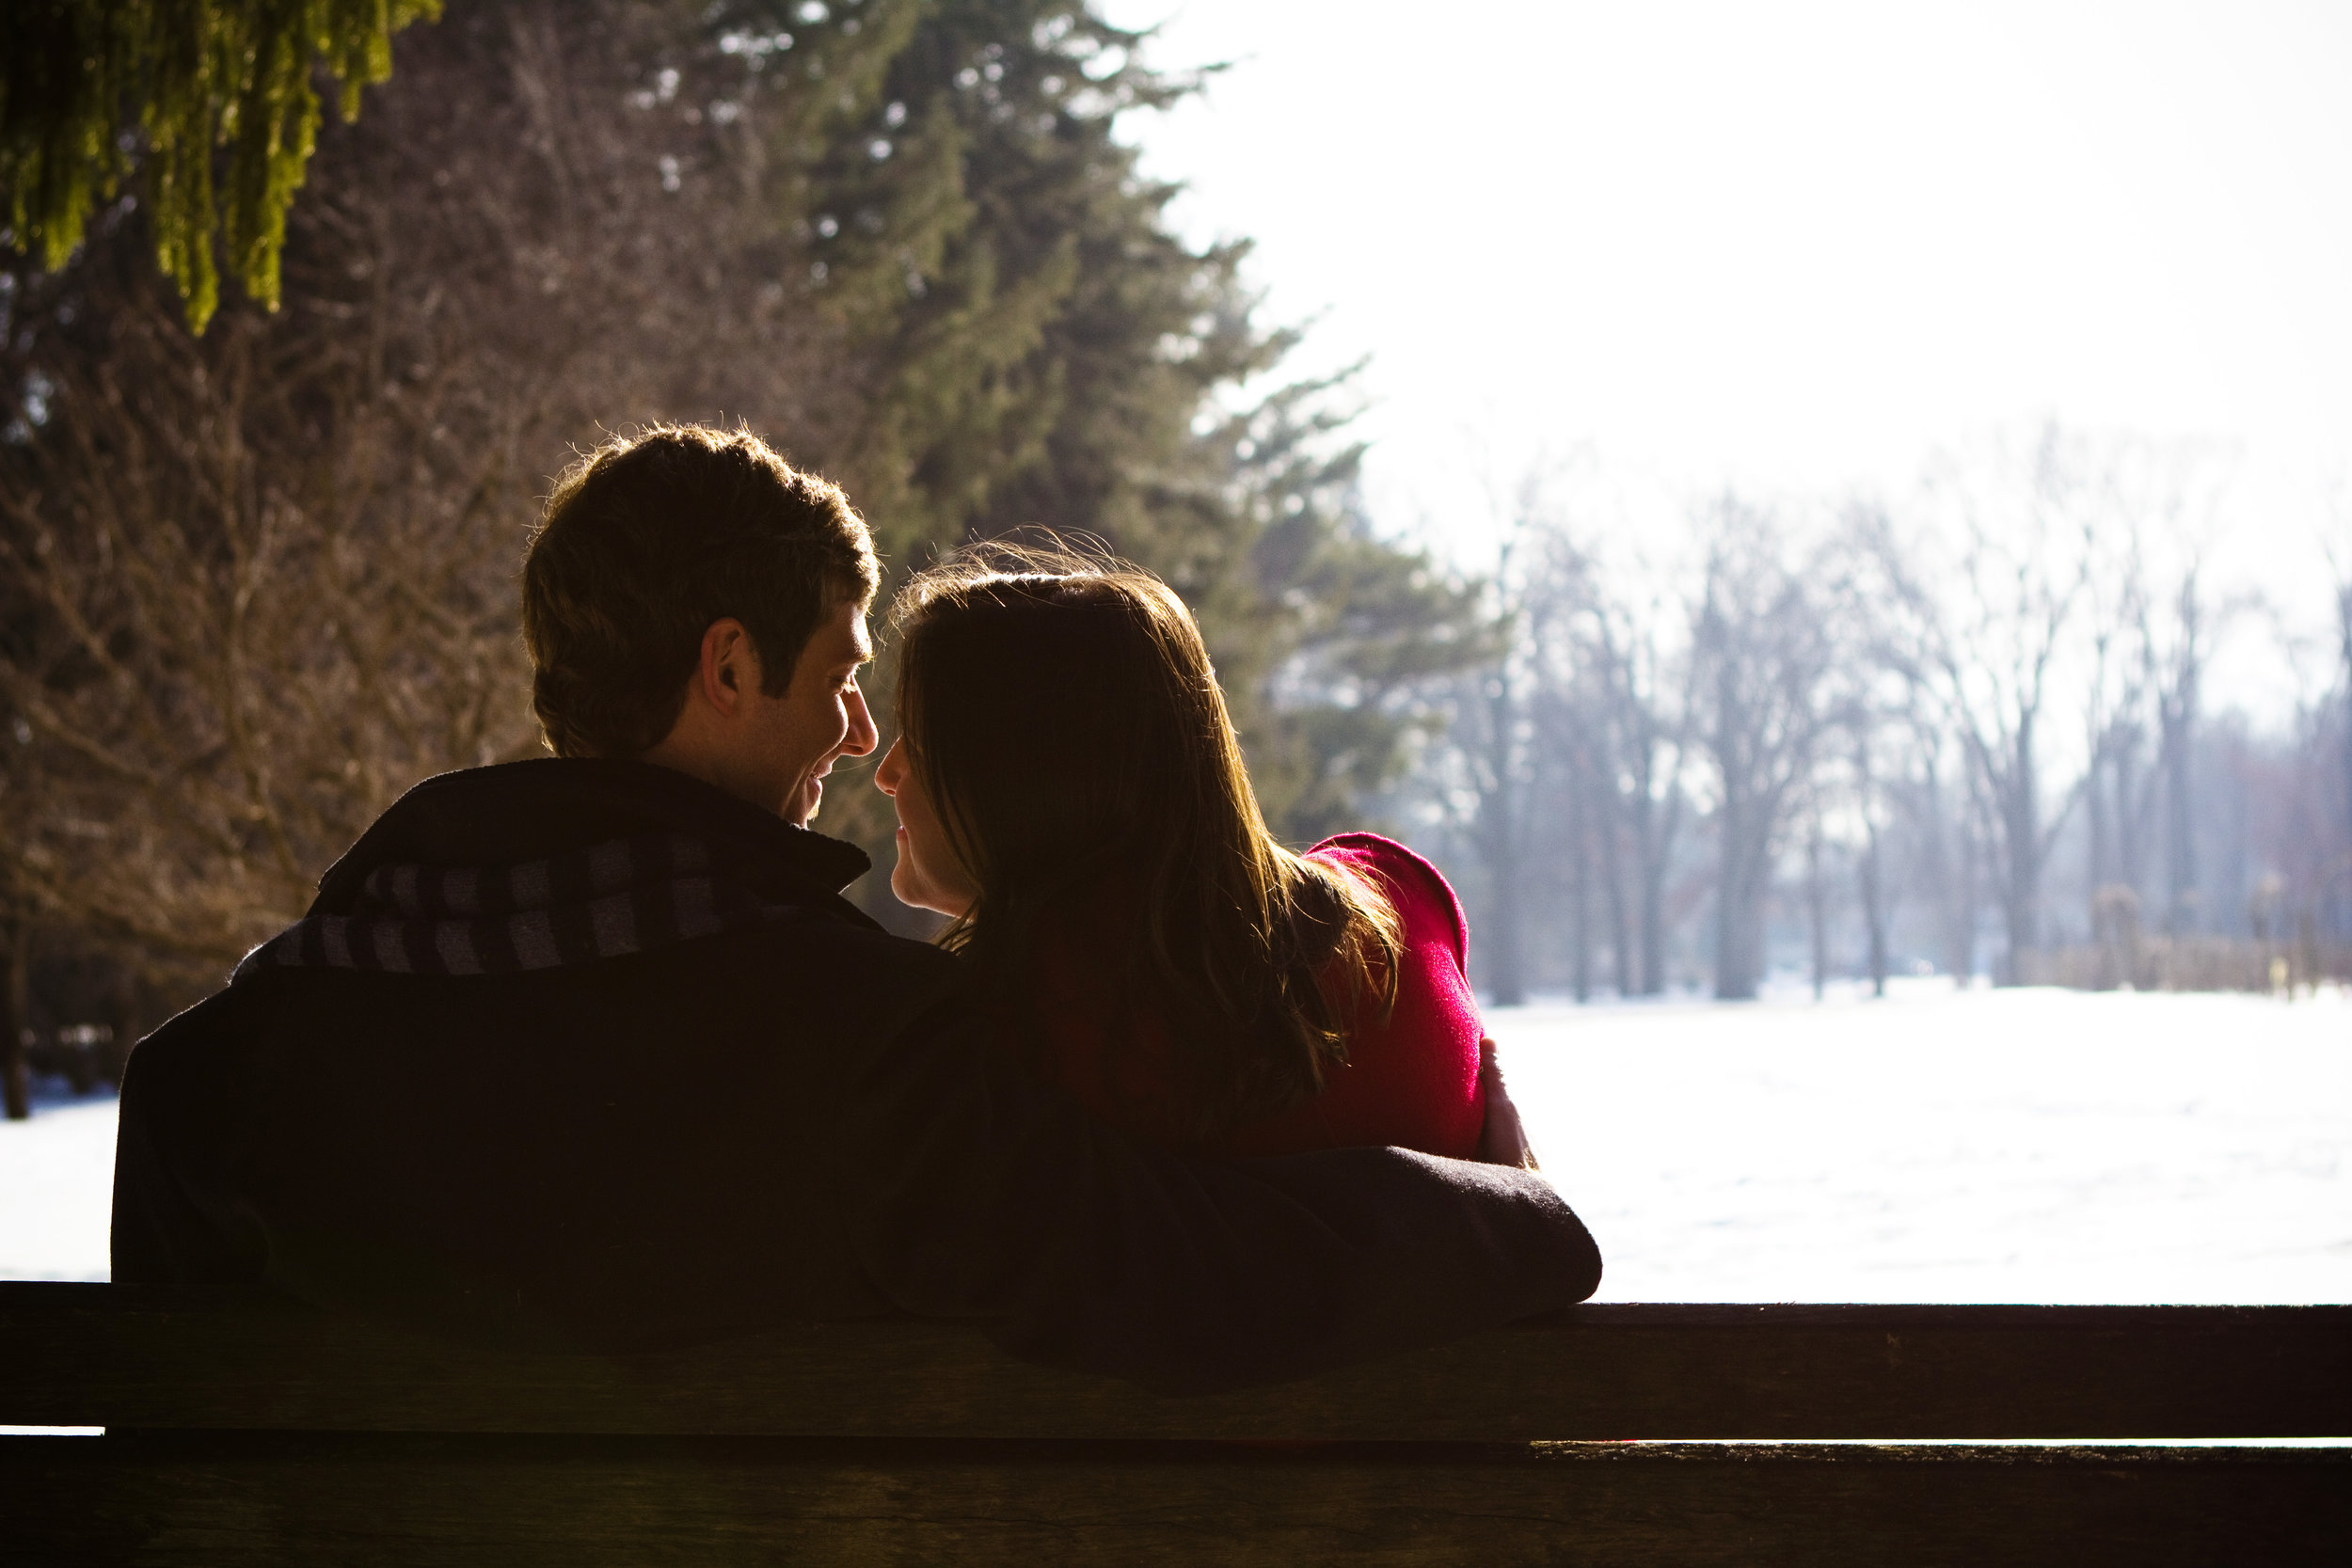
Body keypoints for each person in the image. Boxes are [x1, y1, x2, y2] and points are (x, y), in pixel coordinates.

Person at [110, 423, 1599, 1393]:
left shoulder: (221, 1068)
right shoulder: (859, 1043)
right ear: (728, 666)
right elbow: (1168, 1261)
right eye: (834, 674)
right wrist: (1509, 1219)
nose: (852, 736)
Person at [875, 546, 1533, 1165]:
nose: (887, 770)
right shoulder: (1401, 908)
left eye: (924, 740)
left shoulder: (1007, 1063)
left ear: (1018, 780)